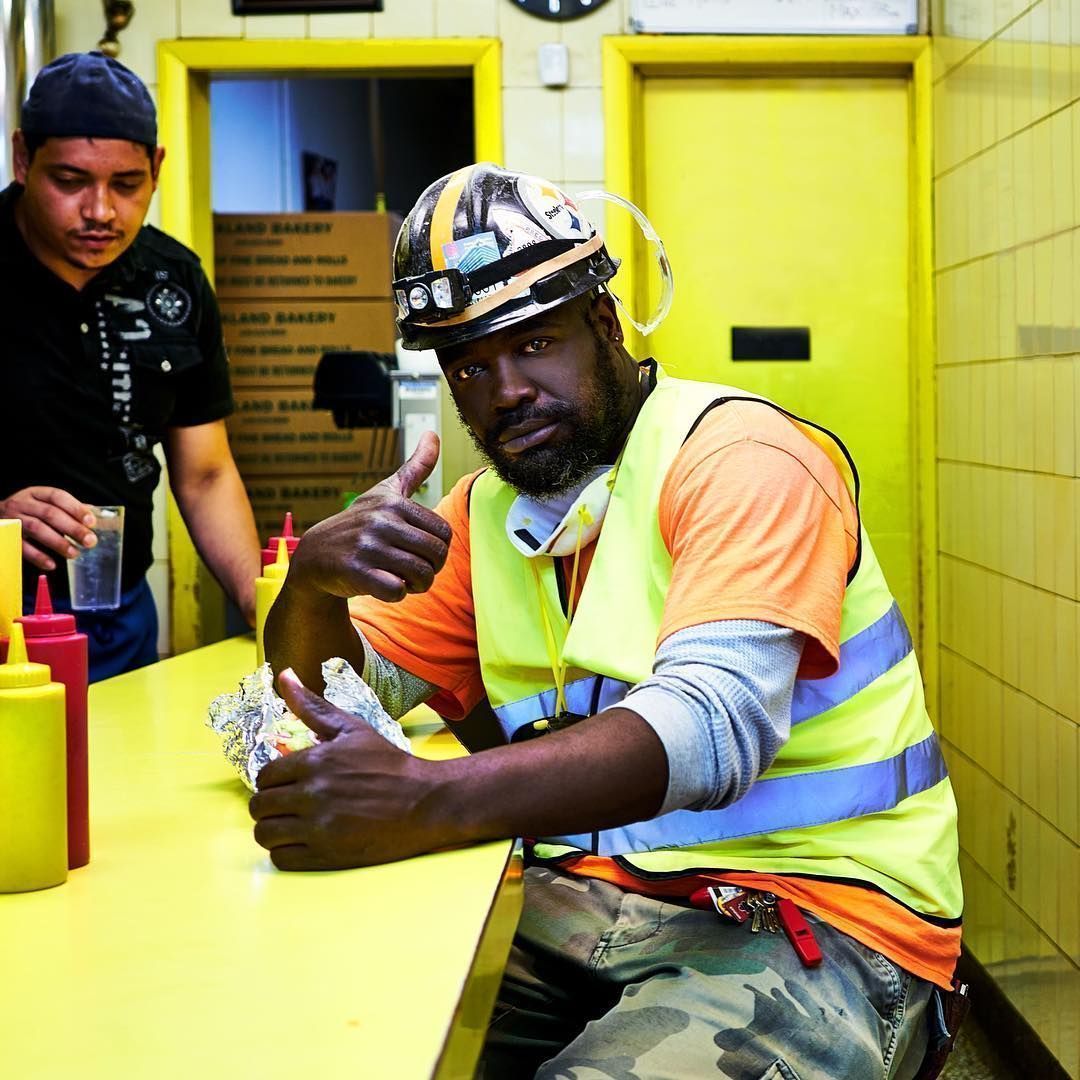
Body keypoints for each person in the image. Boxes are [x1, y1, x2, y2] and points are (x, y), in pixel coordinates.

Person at [252, 163, 964, 1079]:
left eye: (535, 342)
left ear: (603, 322)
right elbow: (326, 705)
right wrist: (312, 587)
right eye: (470, 365)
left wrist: (426, 799)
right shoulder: (482, 514)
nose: (506, 389)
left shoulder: (744, 459)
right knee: (323, 1033)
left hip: (815, 913)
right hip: (582, 901)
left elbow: (711, 729)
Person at [0, 52, 260, 680]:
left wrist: (264, 604)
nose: (100, 211)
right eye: (70, 182)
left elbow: (206, 474)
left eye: (126, 185)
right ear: (22, 159)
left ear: (157, 168)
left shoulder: (176, 281)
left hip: (118, 618)